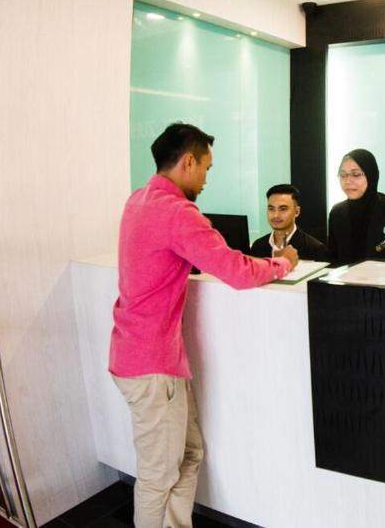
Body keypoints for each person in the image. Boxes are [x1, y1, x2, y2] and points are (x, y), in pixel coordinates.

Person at [108, 123, 297, 528]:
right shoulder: (176, 212)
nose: (207, 180)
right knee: (158, 476)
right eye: (206, 168)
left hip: (146, 358)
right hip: (151, 365)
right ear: (188, 161)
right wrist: (283, 263)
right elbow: (236, 270)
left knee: (190, 455)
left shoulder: (137, 201)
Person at [250, 184, 328, 261]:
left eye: (283, 209)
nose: (276, 215)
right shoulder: (258, 246)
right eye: (271, 209)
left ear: (297, 212)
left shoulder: (314, 248)